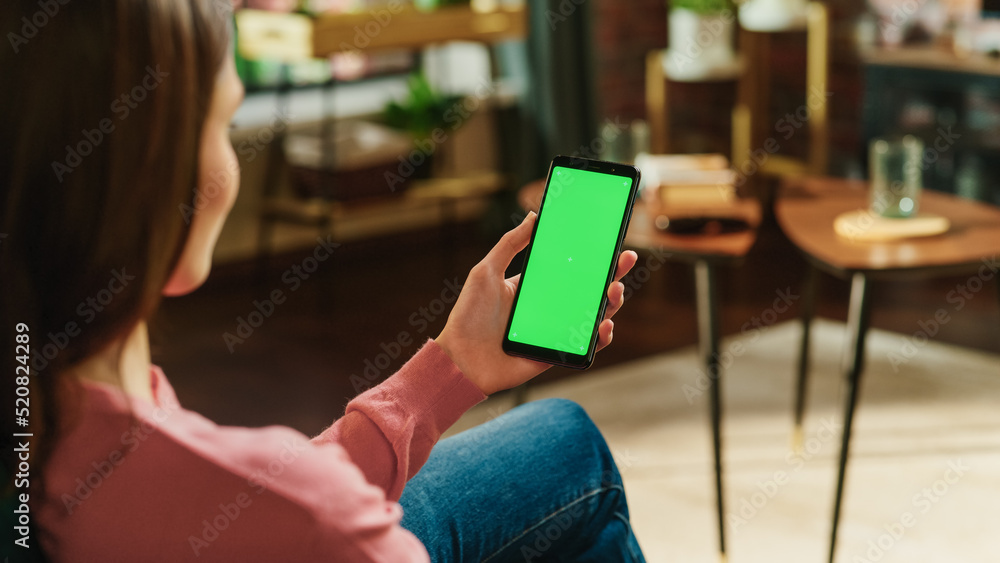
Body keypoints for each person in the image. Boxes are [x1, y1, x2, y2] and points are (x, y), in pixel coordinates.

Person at [0, 1, 645, 561]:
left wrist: (454, 365)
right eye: (223, 124)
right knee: (578, 460)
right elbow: (297, 512)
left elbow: (262, 506)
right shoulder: (311, 518)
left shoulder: (43, 415)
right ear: (153, 173)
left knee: (560, 438)